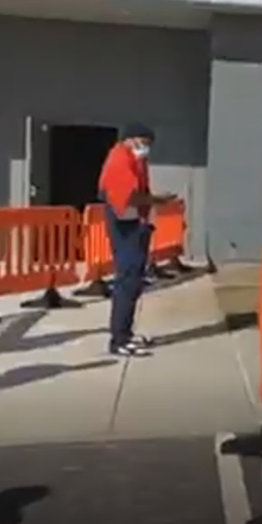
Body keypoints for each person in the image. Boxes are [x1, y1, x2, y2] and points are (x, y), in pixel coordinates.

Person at [98, 124, 174, 356]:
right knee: (128, 279)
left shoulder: (135, 160)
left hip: (133, 222)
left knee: (133, 279)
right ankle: (119, 339)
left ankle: (125, 333)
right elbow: (128, 195)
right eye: (144, 143)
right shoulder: (121, 159)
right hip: (125, 223)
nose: (146, 148)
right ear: (131, 140)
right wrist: (157, 200)